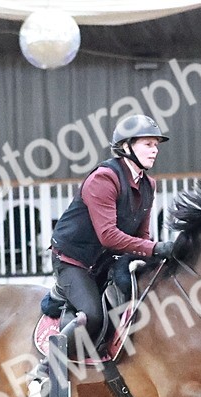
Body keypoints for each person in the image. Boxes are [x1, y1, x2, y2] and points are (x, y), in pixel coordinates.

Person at [49, 114, 177, 351]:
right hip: (73, 261)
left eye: (156, 145)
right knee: (92, 315)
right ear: (126, 146)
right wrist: (157, 248)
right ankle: (47, 368)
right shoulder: (104, 178)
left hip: (105, 261)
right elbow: (108, 235)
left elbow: (142, 237)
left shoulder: (148, 184)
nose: (154, 150)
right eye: (148, 144)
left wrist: (157, 254)